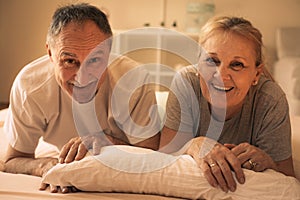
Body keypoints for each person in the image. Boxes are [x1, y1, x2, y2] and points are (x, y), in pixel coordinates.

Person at [4, 3, 161, 193]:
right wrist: (44, 166)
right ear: (50, 54)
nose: (83, 77)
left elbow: (151, 154)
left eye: (95, 60)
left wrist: (105, 141)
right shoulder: (29, 86)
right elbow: (12, 160)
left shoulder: (135, 80)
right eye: (70, 61)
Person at [159, 16, 295, 193]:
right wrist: (195, 144)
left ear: (256, 74)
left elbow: (288, 181)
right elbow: (164, 155)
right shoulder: (186, 82)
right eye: (212, 61)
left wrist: (269, 162)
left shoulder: (271, 100)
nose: (221, 76)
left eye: (237, 65)